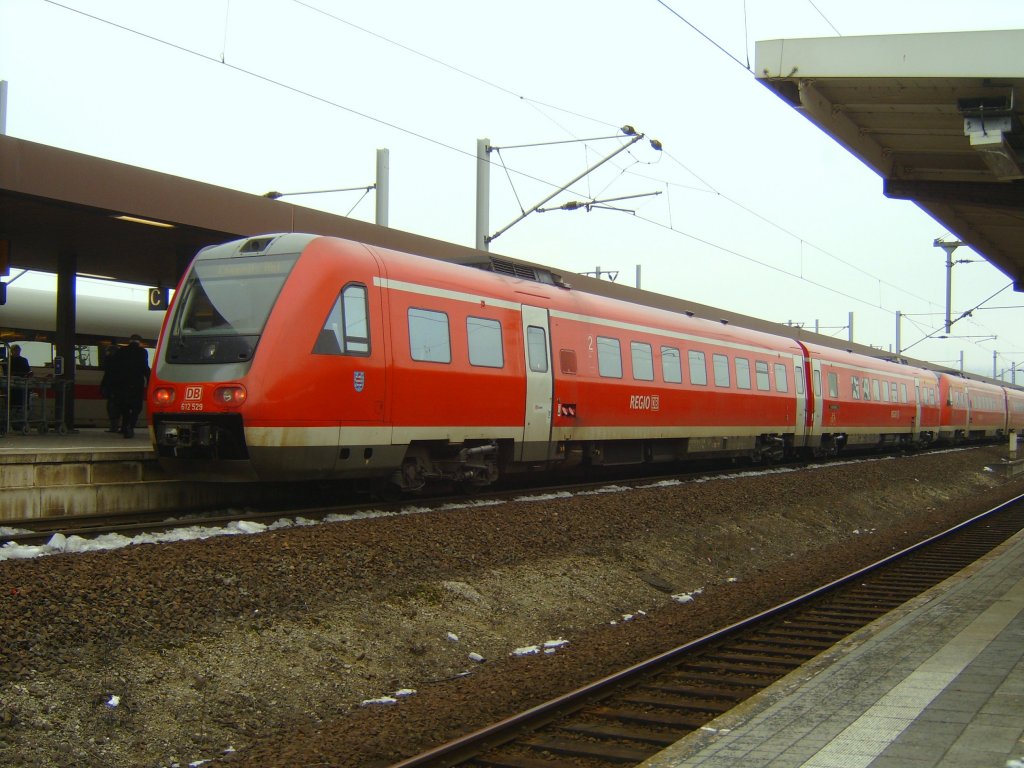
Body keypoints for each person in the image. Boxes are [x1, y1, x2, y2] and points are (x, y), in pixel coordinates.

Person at [107, 335, 150, 438]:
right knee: (136, 407)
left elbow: (114, 367)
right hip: (136, 384)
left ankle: (124, 426)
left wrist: (113, 384)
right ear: (139, 342)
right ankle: (130, 426)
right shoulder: (142, 352)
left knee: (124, 406)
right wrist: (149, 380)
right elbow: (144, 367)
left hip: (122, 384)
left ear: (129, 341)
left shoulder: (122, 350)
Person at [99, 344, 121, 433]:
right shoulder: (119, 363)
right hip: (115, 388)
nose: (106, 353)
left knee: (112, 407)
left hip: (112, 388)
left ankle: (114, 426)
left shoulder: (111, 363)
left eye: (108, 351)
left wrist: (103, 386)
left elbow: (107, 376)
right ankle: (115, 426)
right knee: (114, 407)